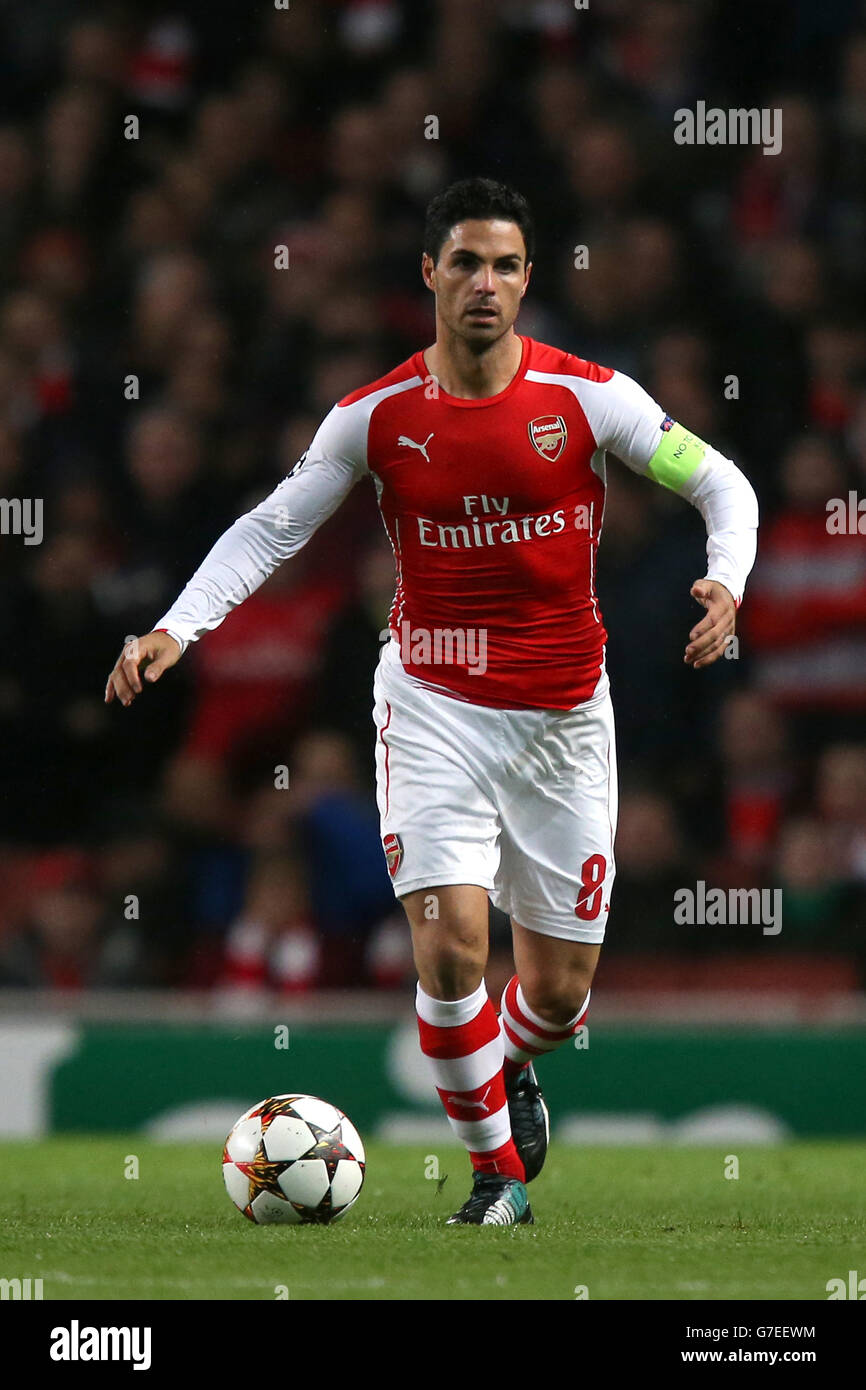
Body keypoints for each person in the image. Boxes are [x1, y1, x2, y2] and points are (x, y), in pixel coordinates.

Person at [105, 177, 759, 1226]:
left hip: (560, 717)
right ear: (429, 275)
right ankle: (496, 1178)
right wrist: (177, 626)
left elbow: (720, 482)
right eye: (464, 263)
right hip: (431, 703)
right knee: (451, 942)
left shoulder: (588, 398)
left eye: (504, 265)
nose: (484, 284)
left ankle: (512, 1062)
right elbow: (273, 527)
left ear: (528, 280)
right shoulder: (373, 419)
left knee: (556, 992)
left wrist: (726, 579)